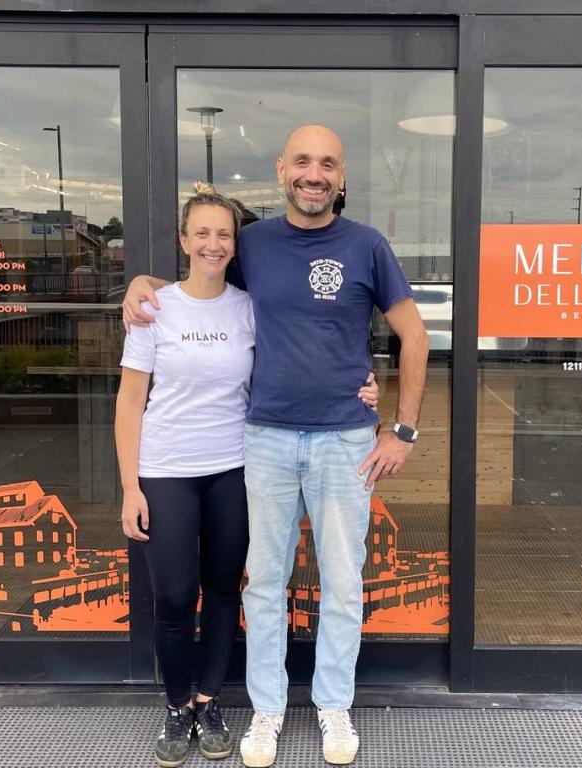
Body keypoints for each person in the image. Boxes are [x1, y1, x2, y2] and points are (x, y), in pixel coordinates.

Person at [123, 125, 429, 767]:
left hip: (346, 439)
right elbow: (198, 272)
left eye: (327, 164)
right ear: (281, 170)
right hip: (261, 439)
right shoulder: (253, 242)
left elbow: (414, 336)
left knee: (343, 581)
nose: (313, 174)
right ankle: (267, 711)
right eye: (301, 162)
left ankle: (333, 707)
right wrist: (142, 282)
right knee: (264, 582)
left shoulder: (367, 244)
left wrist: (401, 429)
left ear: (341, 177)